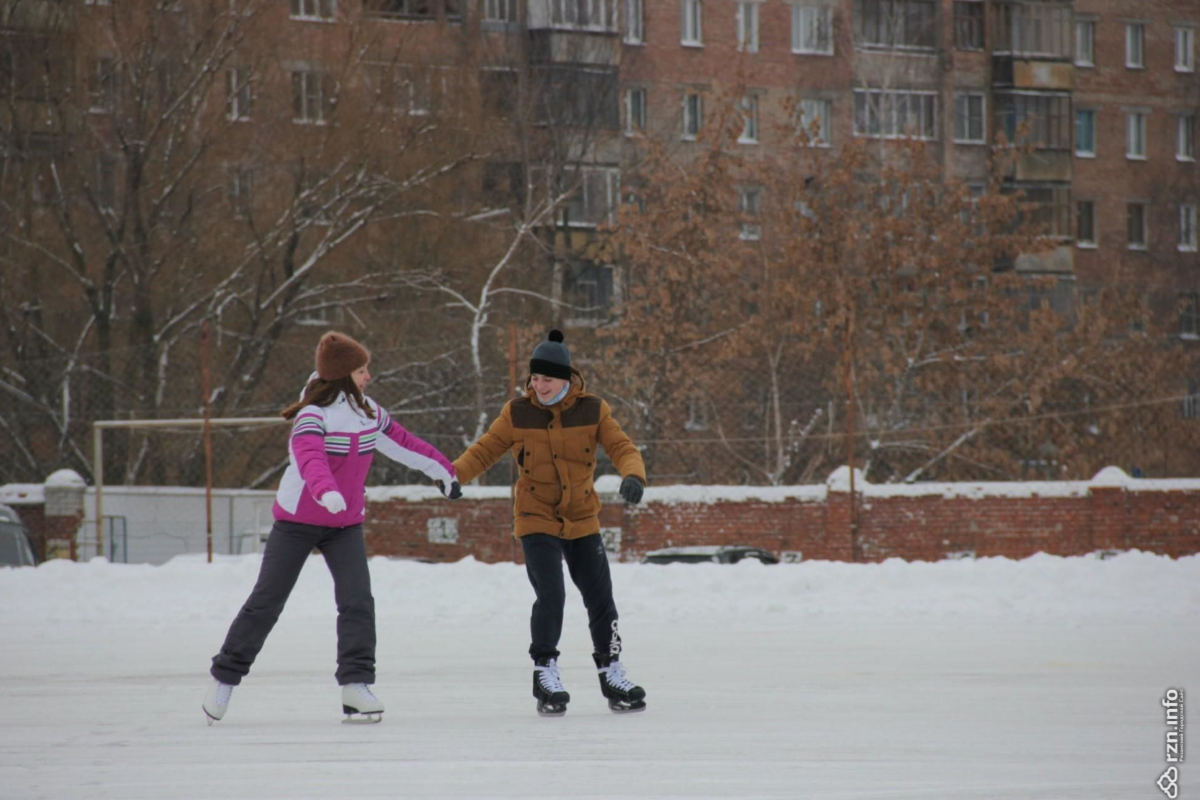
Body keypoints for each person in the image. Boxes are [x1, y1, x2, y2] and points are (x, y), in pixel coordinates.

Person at [202, 331, 461, 725]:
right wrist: (326, 492)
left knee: (358, 601)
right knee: (266, 602)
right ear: (342, 376)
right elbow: (309, 458)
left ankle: (356, 686)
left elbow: (406, 444)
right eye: (361, 370)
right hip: (296, 522)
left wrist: (444, 471)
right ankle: (224, 678)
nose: (368, 377)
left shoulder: (369, 412)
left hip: (344, 526)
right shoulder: (312, 415)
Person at [452, 329, 649, 715]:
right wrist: (453, 475)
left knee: (601, 599)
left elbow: (622, 446)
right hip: (535, 515)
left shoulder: (592, 409)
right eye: (535, 379)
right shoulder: (518, 412)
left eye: (547, 379)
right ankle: (545, 670)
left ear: (566, 379)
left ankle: (611, 670)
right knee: (552, 594)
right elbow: (485, 449)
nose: (539, 386)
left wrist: (633, 475)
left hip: (582, 517)